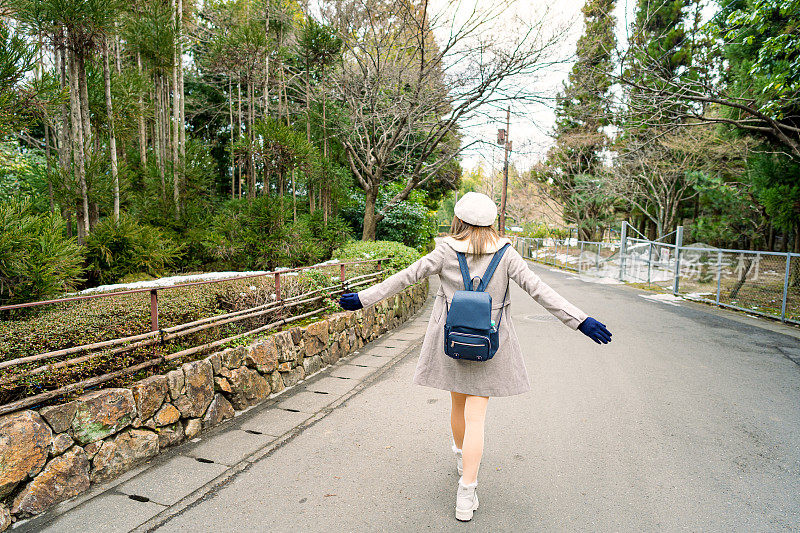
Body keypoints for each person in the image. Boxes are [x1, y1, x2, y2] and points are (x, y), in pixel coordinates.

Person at [338, 192, 612, 522]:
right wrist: (580, 320)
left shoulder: (445, 250)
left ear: (458, 221)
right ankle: (466, 495)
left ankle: (460, 458)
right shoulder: (507, 254)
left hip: (451, 340)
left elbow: (405, 276)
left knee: (457, 404)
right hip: (490, 342)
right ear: (491, 223)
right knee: (477, 417)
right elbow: (540, 290)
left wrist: (363, 299)